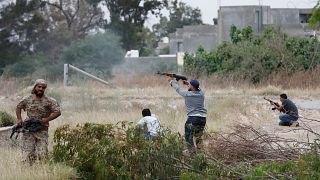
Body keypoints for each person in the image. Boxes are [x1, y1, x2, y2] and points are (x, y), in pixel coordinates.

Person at [16, 79, 61, 164]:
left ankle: (41, 171)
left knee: (42, 154)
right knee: (27, 153)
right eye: (39, 87)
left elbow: (58, 112)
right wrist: (19, 119)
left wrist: (46, 120)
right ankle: (27, 172)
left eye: (43, 87)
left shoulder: (49, 100)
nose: (41, 89)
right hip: (28, 130)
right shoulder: (27, 99)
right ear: (35, 87)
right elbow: (18, 107)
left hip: (42, 130)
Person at [168, 77, 207, 151]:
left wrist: (172, 81)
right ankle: (201, 154)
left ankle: (192, 155)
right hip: (203, 118)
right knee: (198, 137)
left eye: (190, 85)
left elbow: (177, 88)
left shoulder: (187, 94)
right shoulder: (202, 93)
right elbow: (197, 87)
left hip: (193, 118)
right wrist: (188, 84)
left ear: (192, 87)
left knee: (188, 137)